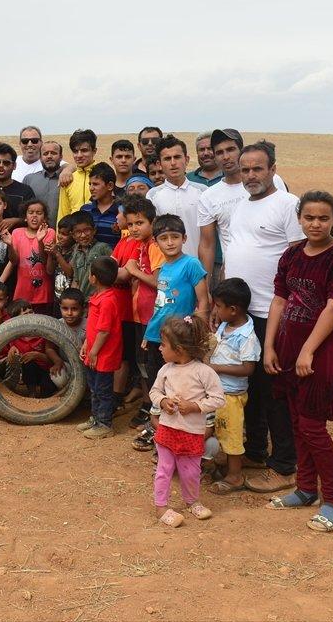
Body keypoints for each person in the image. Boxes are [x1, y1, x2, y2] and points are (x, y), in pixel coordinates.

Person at [263, 191, 333, 533]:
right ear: (299, 218)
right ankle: (304, 489)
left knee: (313, 426)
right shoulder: (291, 254)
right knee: (297, 422)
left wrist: (308, 351)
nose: (316, 224)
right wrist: (270, 345)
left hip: (321, 352)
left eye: (324, 218)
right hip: (287, 347)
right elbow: (279, 300)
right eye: (309, 217)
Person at [217, 139, 302, 495]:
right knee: (249, 388)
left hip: (274, 312)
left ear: (272, 169)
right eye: (246, 168)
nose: (251, 175)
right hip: (242, 313)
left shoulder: (287, 204)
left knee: (274, 390)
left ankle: (284, 465)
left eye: (258, 169)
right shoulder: (241, 206)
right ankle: (253, 452)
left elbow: (299, 257)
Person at [134, 213, 209, 452]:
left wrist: (198, 336)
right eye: (164, 238)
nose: (170, 242)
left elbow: (203, 303)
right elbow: (161, 304)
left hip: (180, 339)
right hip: (158, 336)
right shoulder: (164, 268)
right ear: (156, 242)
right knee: (161, 384)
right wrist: (148, 334)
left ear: (184, 238)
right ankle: (161, 433)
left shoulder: (191, 264)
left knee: (180, 387)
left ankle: (178, 437)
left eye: (175, 237)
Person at [150, 316, 226, 527]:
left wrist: (195, 406)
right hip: (167, 429)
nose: (160, 349)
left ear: (180, 349)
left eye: (164, 345)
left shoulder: (204, 372)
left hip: (192, 432)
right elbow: (154, 391)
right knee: (164, 469)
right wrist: (164, 401)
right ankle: (161, 507)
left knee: (191, 471)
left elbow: (219, 399)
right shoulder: (165, 370)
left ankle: (192, 501)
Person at [197, 128, 288, 286]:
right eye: (219, 152)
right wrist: (205, 288)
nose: (226, 157)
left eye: (231, 149)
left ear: (241, 151)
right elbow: (207, 245)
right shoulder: (209, 197)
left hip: (274, 279)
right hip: (233, 281)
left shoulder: (273, 180)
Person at [205, 277, 260, 495]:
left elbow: (248, 368)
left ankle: (235, 476)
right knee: (219, 429)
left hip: (231, 396)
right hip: (219, 391)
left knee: (232, 434)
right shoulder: (226, 325)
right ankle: (224, 466)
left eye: (218, 306)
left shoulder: (247, 336)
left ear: (234, 309)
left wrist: (218, 368)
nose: (216, 310)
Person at [111, 197, 161, 415]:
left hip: (152, 317)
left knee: (152, 366)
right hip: (139, 314)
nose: (133, 228)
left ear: (152, 222)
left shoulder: (154, 246)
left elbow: (159, 282)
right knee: (143, 364)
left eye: (139, 223)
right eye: (130, 224)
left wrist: (133, 271)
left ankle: (152, 408)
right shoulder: (140, 245)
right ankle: (147, 405)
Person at [78, 256, 122, 439]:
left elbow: (104, 331)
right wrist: (87, 345)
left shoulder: (107, 301)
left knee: (102, 390)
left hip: (103, 354)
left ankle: (104, 423)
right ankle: (95, 418)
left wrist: (94, 351)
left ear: (94, 278)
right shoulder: (99, 297)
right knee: (94, 388)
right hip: (94, 352)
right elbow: (94, 328)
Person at [146, 135, 206, 258]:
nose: (173, 163)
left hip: (198, 266)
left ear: (187, 159)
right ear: (159, 164)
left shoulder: (203, 191)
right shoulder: (153, 195)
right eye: (167, 159)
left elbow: (209, 238)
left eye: (177, 157)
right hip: (166, 268)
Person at [1, 199, 56, 314]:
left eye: (39, 213)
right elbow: (14, 261)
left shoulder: (49, 232)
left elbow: (47, 265)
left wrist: (40, 241)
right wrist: (10, 245)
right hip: (22, 292)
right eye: (31, 212)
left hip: (44, 293)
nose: (34, 216)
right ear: (25, 217)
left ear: (45, 218)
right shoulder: (17, 233)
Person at [4, 300, 65, 397]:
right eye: (25, 313)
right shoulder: (15, 337)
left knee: (47, 390)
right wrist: (12, 348)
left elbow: (52, 360)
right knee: (28, 365)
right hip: (30, 371)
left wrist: (37, 355)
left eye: (31, 311)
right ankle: (31, 392)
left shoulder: (43, 334)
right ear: (17, 320)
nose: (30, 315)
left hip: (48, 369)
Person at [50, 212, 112, 303]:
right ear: (73, 235)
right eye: (78, 232)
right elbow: (75, 278)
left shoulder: (103, 248)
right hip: (82, 302)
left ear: (94, 230)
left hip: (99, 300)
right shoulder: (75, 251)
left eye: (86, 230)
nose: (83, 235)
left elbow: (113, 272)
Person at [56, 129, 98, 225]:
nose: (79, 155)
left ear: (94, 151)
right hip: (74, 235)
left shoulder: (103, 174)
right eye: (75, 151)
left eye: (84, 150)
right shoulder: (67, 178)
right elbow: (63, 213)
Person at [22, 140, 64, 226]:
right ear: (40, 158)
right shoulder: (29, 179)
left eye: (53, 153)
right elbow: (23, 210)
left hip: (62, 234)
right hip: (34, 235)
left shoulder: (68, 178)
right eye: (45, 154)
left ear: (61, 157)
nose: (49, 156)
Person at [80, 162, 120, 247]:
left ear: (110, 186)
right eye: (90, 184)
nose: (91, 188)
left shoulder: (121, 211)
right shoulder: (85, 210)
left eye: (95, 184)